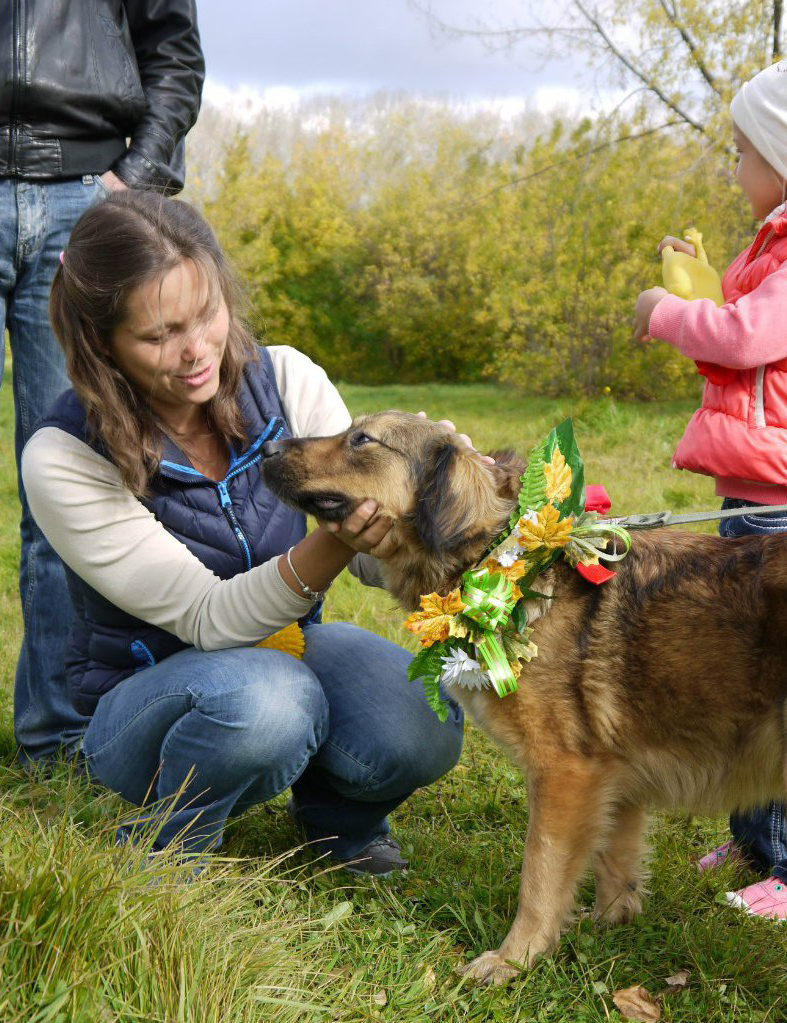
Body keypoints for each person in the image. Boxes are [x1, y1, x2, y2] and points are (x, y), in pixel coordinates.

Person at [20, 190, 464, 875]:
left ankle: (337, 826)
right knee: (268, 700)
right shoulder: (63, 455)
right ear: (101, 341)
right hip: (145, 699)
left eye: (206, 314)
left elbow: (375, 561)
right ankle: (169, 843)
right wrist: (341, 533)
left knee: (425, 713)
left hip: (288, 647)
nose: (197, 349)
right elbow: (210, 617)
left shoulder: (287, 377)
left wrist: (429, 505)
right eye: (160, 334)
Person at [2, 1, 205, 766]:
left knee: (74, 480)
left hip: (85, 197)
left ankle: (60, 736)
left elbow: (173, 45)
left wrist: (137, 179)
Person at [633, 60, 787, 920]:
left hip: (780, 502)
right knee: (741, 672)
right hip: (749, 496)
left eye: (741, 151)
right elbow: (734, 326)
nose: (734, 168)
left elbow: (740, 336)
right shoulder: (765, 244)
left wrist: (663, 307)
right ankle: (753, 836)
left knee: (777, 681)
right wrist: (696, 277)